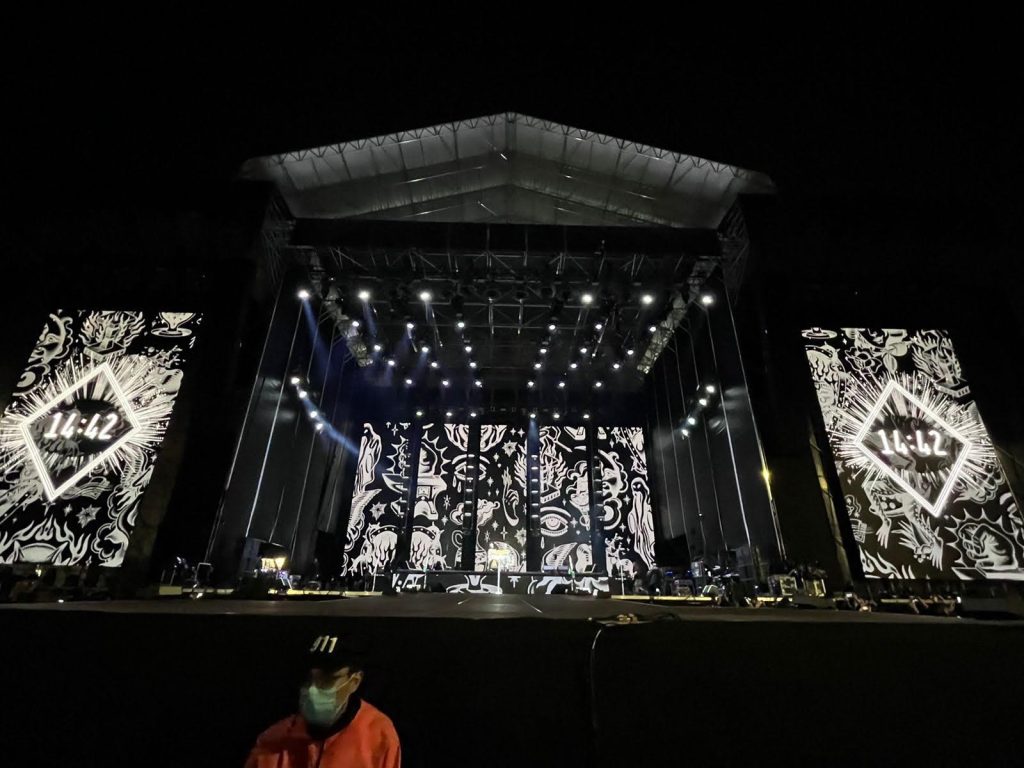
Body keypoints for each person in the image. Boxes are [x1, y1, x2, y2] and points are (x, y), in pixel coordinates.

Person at [245, 633, 401, 768]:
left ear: (354, 681)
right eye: (309, 678)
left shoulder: (379, 736)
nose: (313, 689)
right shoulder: (272, 742)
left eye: (327, 679)